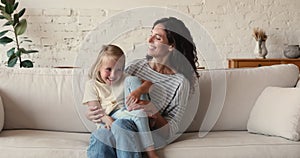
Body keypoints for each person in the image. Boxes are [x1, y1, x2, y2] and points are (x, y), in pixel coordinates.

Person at [85, 17, 200, 158]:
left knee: (120, 127)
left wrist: (154, 112)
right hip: (120, 121)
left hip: (147, 132)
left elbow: (171, 130)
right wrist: (95, 114)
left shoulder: (180, 82)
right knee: (100, 135)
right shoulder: (135, 67)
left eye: (157, 38)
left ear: (171, 46)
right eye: (150, 34)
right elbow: (110, 95)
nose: (149, 40)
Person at [82, 44, 159, 158]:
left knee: (125, 122)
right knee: (102, 136)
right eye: (108, 69)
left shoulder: (125, 78)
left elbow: (149, 84)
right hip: (107, 121)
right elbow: (95, 110)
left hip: (127, 117)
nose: (113, 75)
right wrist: (107, 119)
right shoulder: (92, 85)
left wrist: (138, 92)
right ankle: (151, 153)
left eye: (118, 70)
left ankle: (150, 150)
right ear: (99, 67)